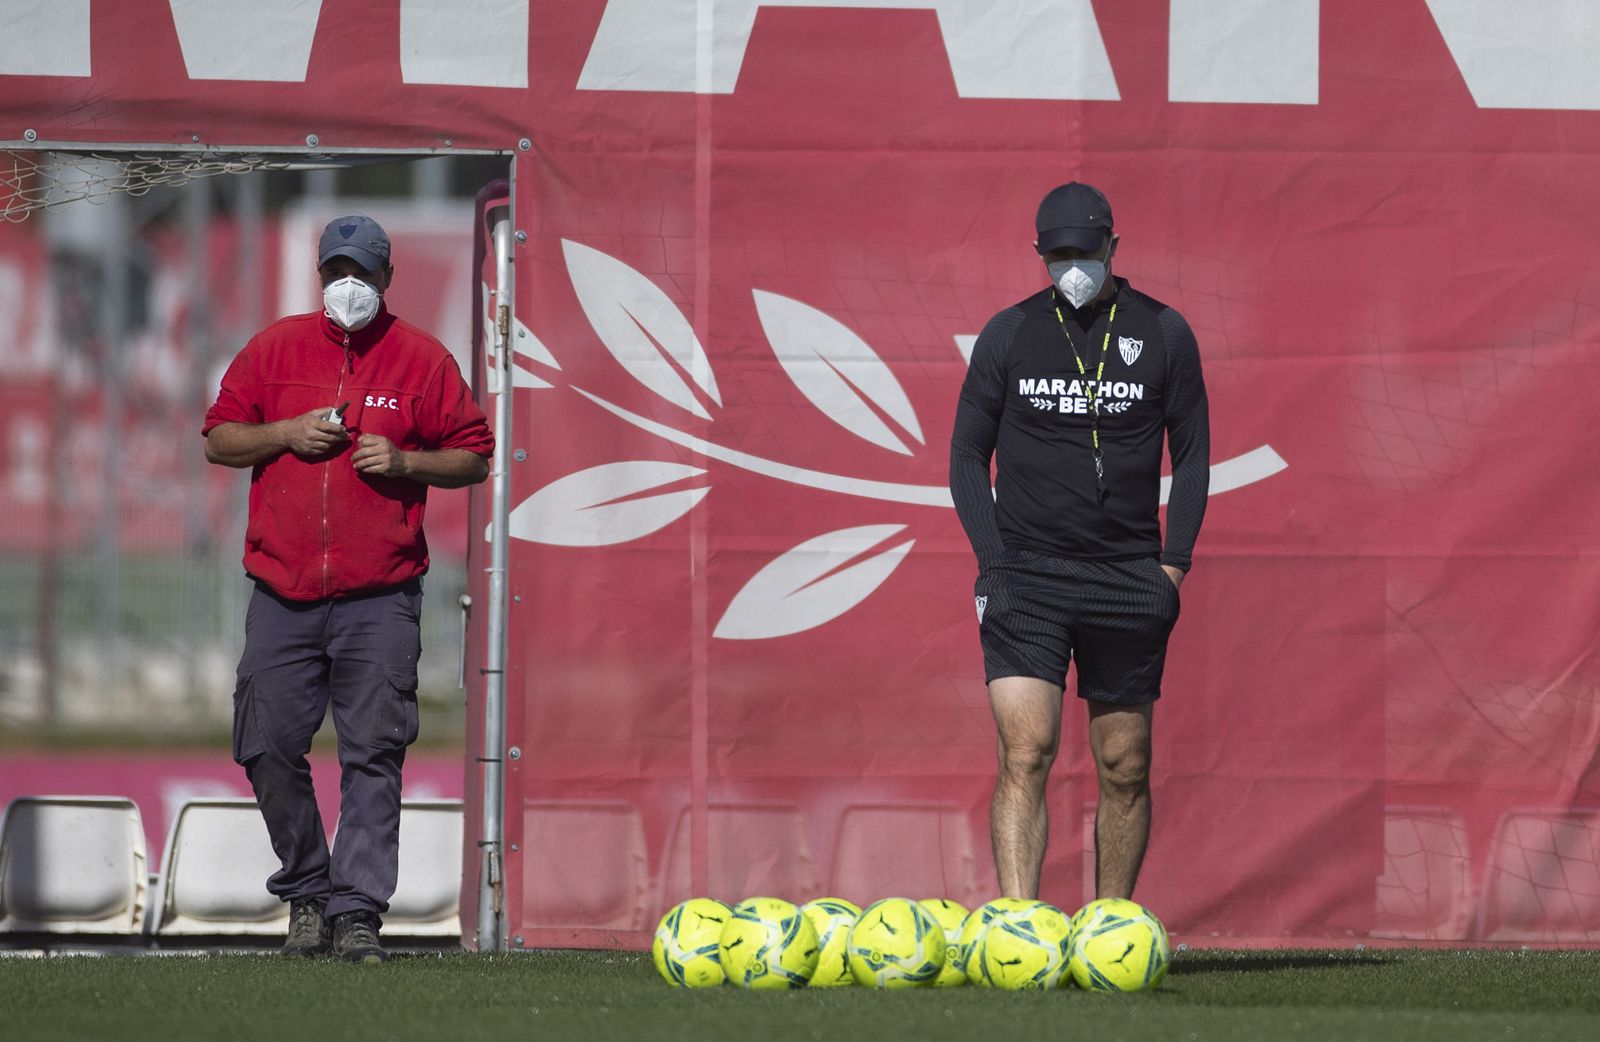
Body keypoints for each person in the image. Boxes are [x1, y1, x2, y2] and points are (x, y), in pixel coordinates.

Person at [202, 215, 493, 961]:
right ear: (319, 275)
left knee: (374, 754)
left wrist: (404, 465)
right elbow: (220, 437)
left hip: (380, 594)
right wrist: (287, 434)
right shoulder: (275, 349)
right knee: (266, 744)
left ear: (387, 280)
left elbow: (474, 456)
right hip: (282, 589)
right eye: (337, 271)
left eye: (362, 273)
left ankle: (357, 911)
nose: (349, 286)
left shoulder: (421, 360)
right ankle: (307, 892)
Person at [949, 182, 1209, 902]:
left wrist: (1173, 568)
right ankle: (1018, 925)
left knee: (1125, 763)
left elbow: (1191, 457)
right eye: (1056, 254)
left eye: (1085, 251)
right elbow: (967, 454)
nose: (1072, 266)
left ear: (1113, 247)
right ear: (1039, 253)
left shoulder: (1164, 332)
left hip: (1127, 574)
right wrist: (993, 566)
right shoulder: (1009, 333)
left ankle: (1111, 924)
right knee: (1025, 752)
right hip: (1026, 573)